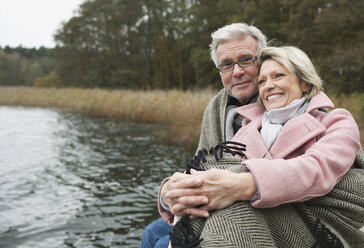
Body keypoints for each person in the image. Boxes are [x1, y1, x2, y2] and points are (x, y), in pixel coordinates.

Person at [142, 23, 364, 247]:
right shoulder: (236, 117)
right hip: (229, 207)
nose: (237, 72)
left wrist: (244, 184)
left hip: (286, 216)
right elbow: (205, 166)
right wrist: (171, 191)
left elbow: (320, 169)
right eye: (226, 65)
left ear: (304, 83)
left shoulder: (332, 120)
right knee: (152, 233)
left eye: (246, 59)